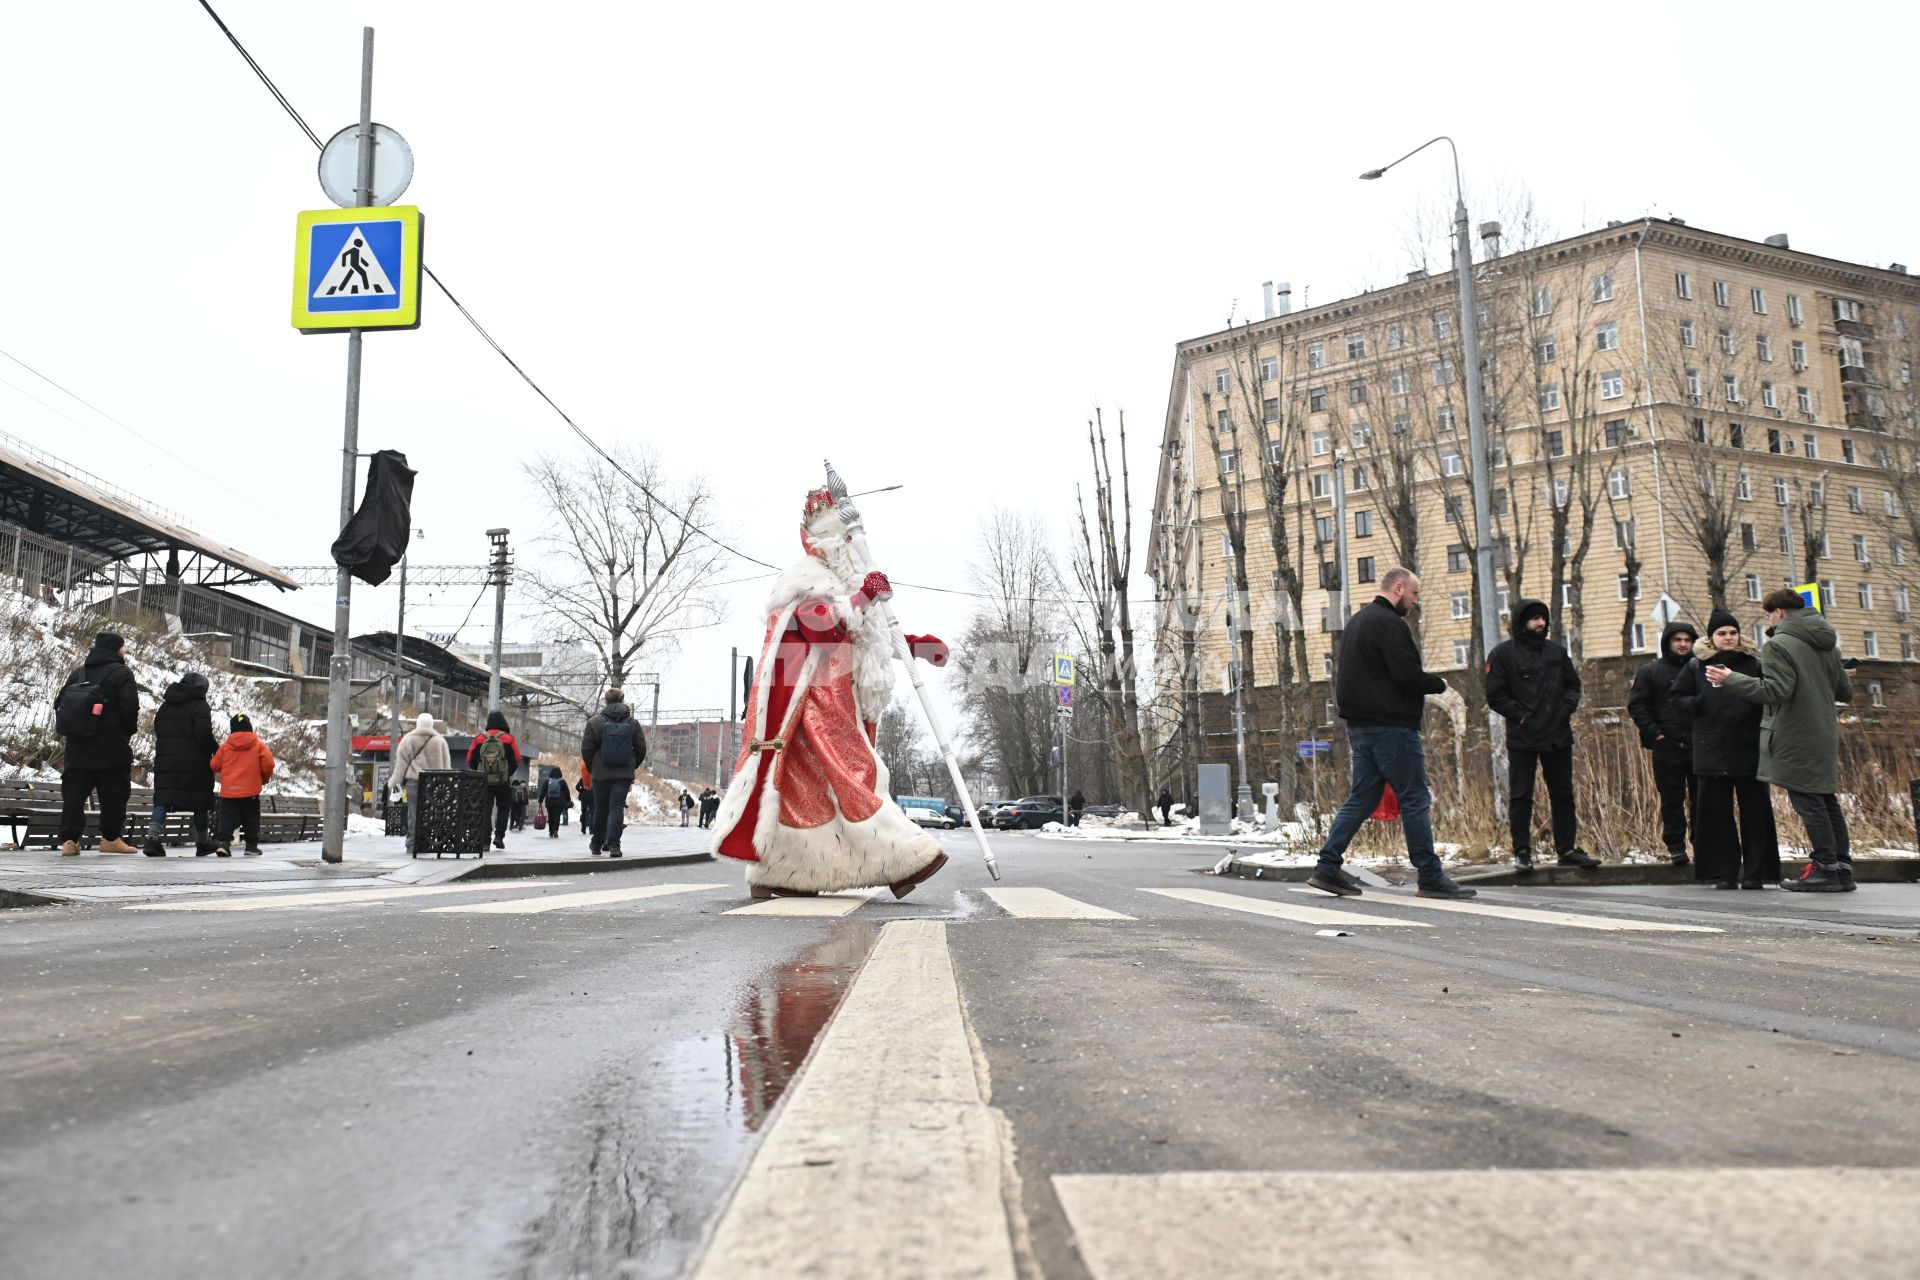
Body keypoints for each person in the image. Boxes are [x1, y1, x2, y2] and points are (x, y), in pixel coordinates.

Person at [711, 484, 952, 899]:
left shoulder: (842, 582)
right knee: (856, 776)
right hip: (810, 706)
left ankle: (783, 872)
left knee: (810, 794)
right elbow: (820, 626)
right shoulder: (806, 580)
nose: (851, 548)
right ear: (823, 541)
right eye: (843, 539)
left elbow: (866, 636)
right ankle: (903, 859)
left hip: (833, 702)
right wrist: (864, 595)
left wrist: (919, 647)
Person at [1306, 567, 1475, 900]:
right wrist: (1438, 684)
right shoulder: (1390, 624)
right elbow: (1406, 676)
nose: (1414, 602)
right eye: (1414, 595)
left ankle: (1327, 866)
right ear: (1398, 588)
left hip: (1361, 726)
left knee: (1363, 797)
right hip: (1392, 727)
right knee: (1415, 797)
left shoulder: (1358, 621)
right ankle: (1430, 875)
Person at [1708, 590, 1855, 892]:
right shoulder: (1828, 644)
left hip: (1795, 733)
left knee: (1808, 801)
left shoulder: (1779, 644)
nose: (1770, 620)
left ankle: (1825, 868)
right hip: (1824, 731)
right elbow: (1844, 693)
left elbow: (1776, 691)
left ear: (1779, 613)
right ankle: (1841, 868)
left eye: (1769, 614)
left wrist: (1730, 679)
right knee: (1826, 799)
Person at [1483, 598, 1598, 872]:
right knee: (1521, 795)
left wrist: (1567, 708)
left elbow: (1573, 685)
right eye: (1534, 618)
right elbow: (1495, 695)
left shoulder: (1556, 653)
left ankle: (1567, 849)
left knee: (1563, 794)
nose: (1541, 623)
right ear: (1521, 622)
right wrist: (1521, 717)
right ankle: (1522, 852)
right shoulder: (1503, 654)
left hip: (1557, 735)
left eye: (1543, 618)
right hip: (1523, 737)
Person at [1670, 608, 1780, 889]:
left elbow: (1770, 696)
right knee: (1716, 815)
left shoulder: (1754, 665)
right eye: (1722, 633)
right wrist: (1697, 704)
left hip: (1749, 748)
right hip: (1711, 749)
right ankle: (1724, 873)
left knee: (1756, 813)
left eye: (1733, 632)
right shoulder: (1696, 666)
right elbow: (1677, 700)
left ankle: (1757, 873)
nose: (1728, 637)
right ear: (1711, 637)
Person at [54, 630, 142, 855]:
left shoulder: (78, 673)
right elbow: (129, 708)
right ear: (116, 649)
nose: (125, 650)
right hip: (111, 749)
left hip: (77, 748)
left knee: (74, 796)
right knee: (114, 794)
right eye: (123, 646)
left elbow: (60, 704)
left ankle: (70, 841)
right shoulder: (122, 673)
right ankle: (111, 839)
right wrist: (126, 732)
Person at [1628, 620, 1701, 867]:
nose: (1682, 644)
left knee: (1702, 799)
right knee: (1671, 799)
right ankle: (1676, 847)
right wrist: (1655, 734)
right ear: (1667, 642)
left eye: (1687, 640)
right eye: (1677, 640)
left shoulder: (1702, 669)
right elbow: (1637, 705)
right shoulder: (1650, 672)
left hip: (1698, 744)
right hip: (1666, 745)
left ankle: (1703, 845)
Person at [144, 672, 220, 857]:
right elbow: (202, 732)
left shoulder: (166, 705)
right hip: (194, 762)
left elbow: (159, 729)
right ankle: (203, 842)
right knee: (199, 800)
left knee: (163, 799)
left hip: (166, 762)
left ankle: (152, 839)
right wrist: (215, 748)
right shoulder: (200, 705)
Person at [581, 693, 644, 857]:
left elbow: (586, 750)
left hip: (600, 774)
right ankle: (614, 846)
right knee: (616, 808)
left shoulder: (595, 722)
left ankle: (596, 843)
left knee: (600, 809)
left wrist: (592, 767)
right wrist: (630, 767)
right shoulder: (633, 723)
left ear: (606, 701)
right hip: (623, 775)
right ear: (622, 700)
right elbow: (641, 749)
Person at [209, 713, 275, 856]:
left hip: (229, 791)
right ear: (249, 727)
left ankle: (223, 844)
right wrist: (263, 779)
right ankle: (251, 846)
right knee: (251, 817)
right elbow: (268, 764)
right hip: (250, 791)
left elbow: (214, 764)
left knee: (227, 817)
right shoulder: (258, 745)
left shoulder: (226, 746)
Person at [391, 712, 450, 855]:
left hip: (414, 782)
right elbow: (446, 767)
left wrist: (394, 783)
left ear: (418, 724)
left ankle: (411, 844)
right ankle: (427, 841)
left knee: (413, 813)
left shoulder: (408, 740)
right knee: (431, 813)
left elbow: (401, 765)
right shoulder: (440, 741)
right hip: (435, 785)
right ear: (431, 724)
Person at [465, 710, 524, 851]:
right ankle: (499, 837)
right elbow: (517, 758)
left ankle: (485, 841)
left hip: (484, 780)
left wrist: (479, 771)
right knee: (504, 807)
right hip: (503, 780)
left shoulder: (480, 738)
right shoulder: (508, 739)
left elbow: (469, 759)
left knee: (485, 808)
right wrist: (508, 773)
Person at [543, 768, 572, 838]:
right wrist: (568, 799)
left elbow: (543, 791)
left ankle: (551, 831)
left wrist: (540, 800)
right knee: (557, 816)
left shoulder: (547, 781)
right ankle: (555, 830)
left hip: (549, 802)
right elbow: (567, 792)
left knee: (551, 816)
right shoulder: (562, 782)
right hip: (559, 802)